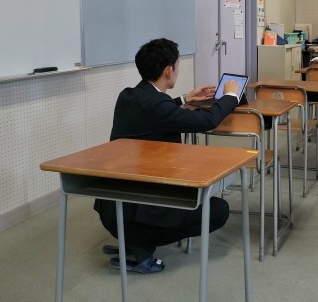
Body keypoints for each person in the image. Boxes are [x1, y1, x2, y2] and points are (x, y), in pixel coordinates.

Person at [94, 38, 240, 274]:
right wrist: (231, 96)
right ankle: (141, 245)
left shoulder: (127, 95)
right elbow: (208, 120)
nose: (178, 70)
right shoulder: (158, 107)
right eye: (178, 65)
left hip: (112, 207)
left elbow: (153, 111)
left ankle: (133, 242)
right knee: (218, 210)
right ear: (168, 70)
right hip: (138, 212)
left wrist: (183, 99)